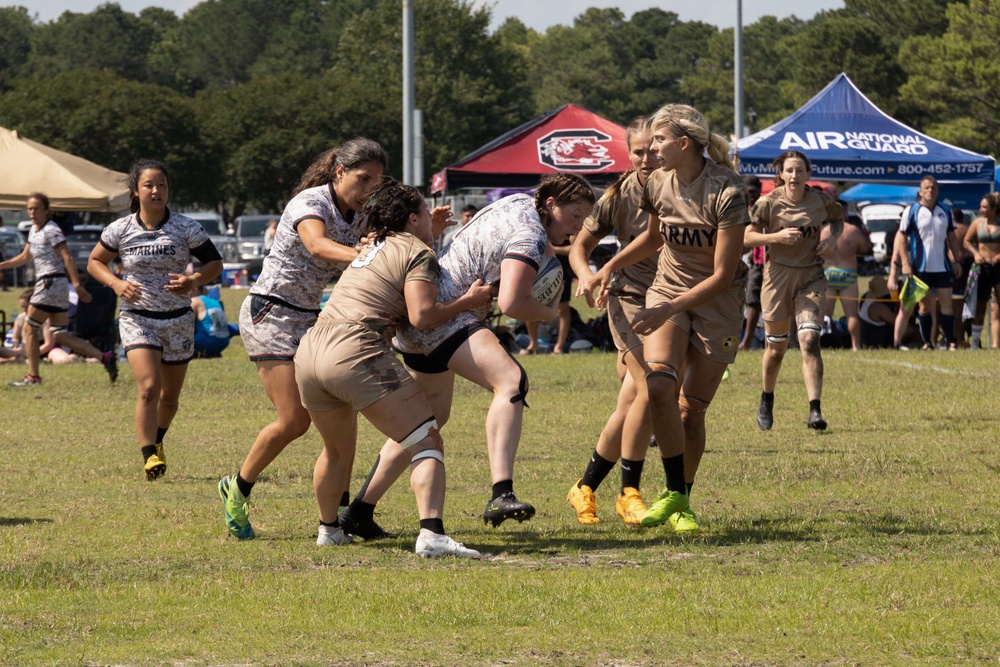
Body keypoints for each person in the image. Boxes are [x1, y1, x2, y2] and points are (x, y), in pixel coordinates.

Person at [338, 173, 595, 536]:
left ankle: (359, 511)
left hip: (421, 315)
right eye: (575, 215)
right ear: (551, 205)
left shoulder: (520, 202)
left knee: (424, 423)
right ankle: (501, 492)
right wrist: (550, 311)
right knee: (511, 380)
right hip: (446, 315)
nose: (578, 227)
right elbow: (512, 303)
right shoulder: (532, 234)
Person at [295, 181, 492, 555]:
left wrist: (428, 232)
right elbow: (423, 316)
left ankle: (328, 530)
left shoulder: (373, 245)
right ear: (413, 218)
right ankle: (432, 536)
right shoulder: (418, 251)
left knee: (335, 451)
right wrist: (469, 300)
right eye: (425, 212)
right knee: (427, 439)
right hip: (355, 349)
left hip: (310, 351)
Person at [218, 138, 387, 540]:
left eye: (376, 183)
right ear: (339, 172)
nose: (369, 190)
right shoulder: (310, 202)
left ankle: (338, 516)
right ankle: (236, 488)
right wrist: (363, 255)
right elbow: (316, 244)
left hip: (312, 317)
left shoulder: (362, 214)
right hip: (271, 312)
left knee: (341, 416)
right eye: (363, 179)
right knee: (295, 420)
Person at [590, 103, 748, 532]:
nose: (651, 147)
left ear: (683, 143)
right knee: (658, 384)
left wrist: (666, 307)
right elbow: (653, 239)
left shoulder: (728, 190)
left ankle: (682, 499)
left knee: (689, 412)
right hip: (667, 292)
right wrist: (609, 266)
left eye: (658, 140)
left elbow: (721, 275)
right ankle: (674, 492)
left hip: (719, 303)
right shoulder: (656, 183)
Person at [88, 159, 223, 479]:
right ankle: (149, 454)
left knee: (170, 398)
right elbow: (95, 262)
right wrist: (117, 283)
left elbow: (215, 263)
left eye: (161, 184)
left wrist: (194, 280)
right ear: (136, 191)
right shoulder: (120, 229)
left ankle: (158, 440)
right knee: (149, 387)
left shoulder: (186, 227)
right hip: (138, 318)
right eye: (149, 185)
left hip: (178, 319)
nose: (156, 190)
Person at [564, 115, 659, 525]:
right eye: (638, 151)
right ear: (629, 152)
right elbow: (578, 248)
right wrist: (587, 274)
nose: (646, 157)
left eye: (653, 150)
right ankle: (629, 492)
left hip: (673, 300)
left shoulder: (683, 189)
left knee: (631, 403)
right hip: (629, 298)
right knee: (651, 387)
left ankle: (584, 486)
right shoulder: (617, 195)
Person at [745, 150, 843, 431]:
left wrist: (831, 240)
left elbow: (838, 219)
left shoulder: (820, 200)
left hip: (811, 276)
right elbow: (748, 236)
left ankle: (815, 411)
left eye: (800, 170)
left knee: (810, 340)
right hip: (777, 277)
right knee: (775, 349)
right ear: (782, 175)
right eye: (790, 170)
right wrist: (777, 236)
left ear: (808, 174)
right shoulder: (768, 203)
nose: (795, 176)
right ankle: (767, 397)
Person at [0, 192, 119, 387]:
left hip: (50, 283)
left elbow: (67, 257)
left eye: (36, 208)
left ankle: (33, 377)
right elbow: (23, 257)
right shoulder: (34, 231)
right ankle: (105, 357)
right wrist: (3, 265)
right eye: (29, 208)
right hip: (53, 285)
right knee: (60, 335)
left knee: (30, 328)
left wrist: (78, 286)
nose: (32, 212)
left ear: (47, 211)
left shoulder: (51, 230)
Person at [888, 175, 962, 351]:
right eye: (927, 188)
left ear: (938, 190)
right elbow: (902, 239)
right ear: (920, 191)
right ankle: (927, 343)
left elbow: (952, 236)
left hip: (942, 266)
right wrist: (905, 264)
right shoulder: (911, 211)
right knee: (924, 305)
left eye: (934, 187)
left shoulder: (945, 209)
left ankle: (950, 342)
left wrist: (956, 260)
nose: (931, 190)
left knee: (946, 304)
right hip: (920, 267)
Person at [821, 207, 872, 351]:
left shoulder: (823, 230)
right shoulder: (853, 230)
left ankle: (823, 344)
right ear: (844, 213)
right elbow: (864, 248)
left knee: (825, 314)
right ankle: (855, 345)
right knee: (851, 314)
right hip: (847, 274)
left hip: (828, 273)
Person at [963, 193, 1000, 349]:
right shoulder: (977, 223)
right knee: (980, 306)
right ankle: (975, 342)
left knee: (998, 305)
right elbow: (966, 241)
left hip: (998, 267)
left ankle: (996, 343)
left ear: (993, 209)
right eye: (981, 207)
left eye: (984, 207)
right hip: (982, 267)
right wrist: (976, 253)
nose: (981, 210)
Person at [738, 175, 764, 351]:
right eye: (749, 192)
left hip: (758, 259)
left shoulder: (763, 207)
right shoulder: (738, 207)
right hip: (738, 258)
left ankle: (747, 341)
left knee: (753, 299)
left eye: (754, 192)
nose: (752, 195)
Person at [858, 275, 899, 348]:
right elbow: (897, 322)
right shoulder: (878, 307)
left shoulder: (866, 299)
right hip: (875, 341)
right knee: (910, 331)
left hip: (867, 338)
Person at [190, 286, 231, 357]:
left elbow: (188, 325)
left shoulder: (194, 301)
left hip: (205, 342)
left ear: (195, 289)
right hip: (223, 342)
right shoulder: (215, 301)